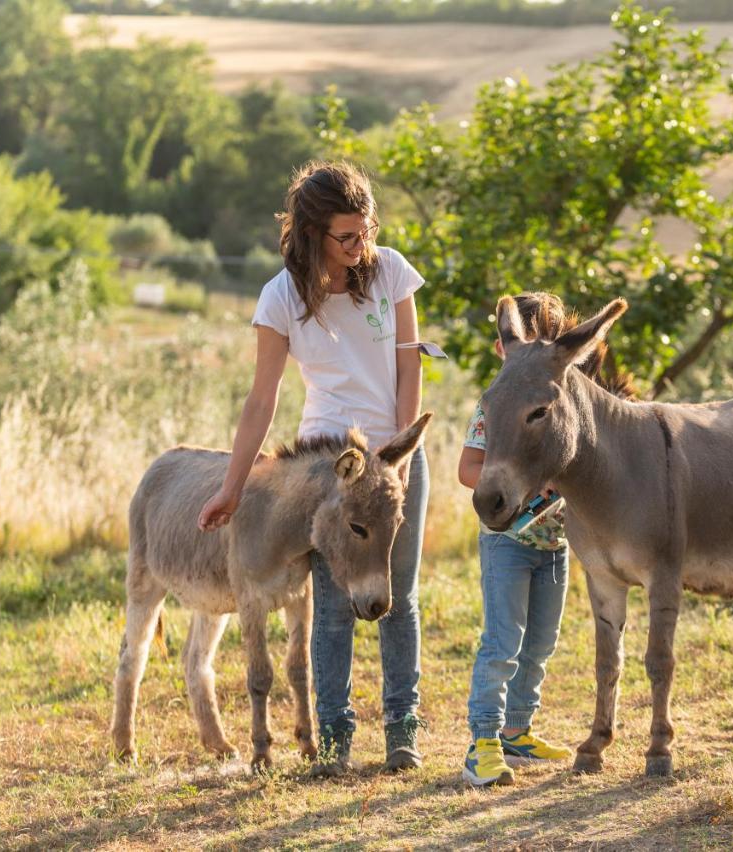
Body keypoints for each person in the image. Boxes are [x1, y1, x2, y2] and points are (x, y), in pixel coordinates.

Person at [197, 161, 429, 775]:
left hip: (396, 458)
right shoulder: (280, 297)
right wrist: (231, 487)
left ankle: (402, 732)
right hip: (327, 475)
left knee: (397, 598)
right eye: (346, 237)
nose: (362, 247)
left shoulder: (392, 272)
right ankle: (334, 740)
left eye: (367, 231)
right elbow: (261, 400)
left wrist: (398, 457)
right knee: (331, 610)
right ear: (310, 234)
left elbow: (411, 368)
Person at [458, 292, 576, 787]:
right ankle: (481, 743)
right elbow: (468, 470)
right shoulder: (496, 404)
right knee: (502, 643)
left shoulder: (560, 406)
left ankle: (517, 731)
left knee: (540, 645)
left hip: (554, 545)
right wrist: (518, 482)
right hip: (508, 543)